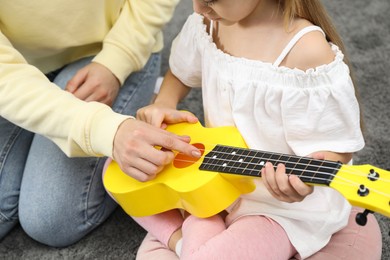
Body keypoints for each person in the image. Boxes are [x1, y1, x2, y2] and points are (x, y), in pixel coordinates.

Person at [115, 0, 382, 259]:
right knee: (116, 161)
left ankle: (183, 237)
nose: (198, 8)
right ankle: (193, 236)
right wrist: (163, 103)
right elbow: (180, 73)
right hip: (217, 179)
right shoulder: (208, 24)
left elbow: (337, 149)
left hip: (278, 209)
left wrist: (300, 185)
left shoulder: (307, 51)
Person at [0, 0, 202, 247]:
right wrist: (101, 129)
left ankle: (135, 96)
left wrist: (117, 59)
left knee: (49, 219)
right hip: (10, 69)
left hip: (108, 46)